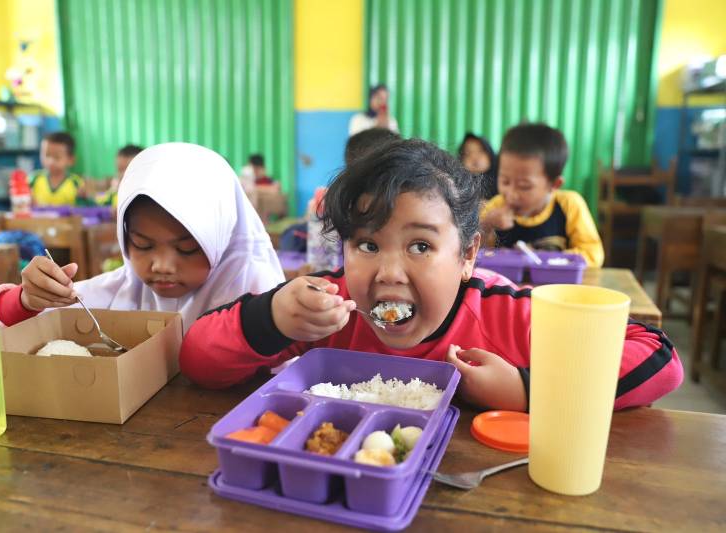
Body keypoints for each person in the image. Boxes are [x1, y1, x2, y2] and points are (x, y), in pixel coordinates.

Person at [178, 139, 682, 412]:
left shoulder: (502, 314)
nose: (389, 272)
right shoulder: (326, 307)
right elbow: (198, 359)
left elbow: (658, 357)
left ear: (467, 255)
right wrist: (272, 318)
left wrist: (528, 390)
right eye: (367, 244)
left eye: (420, 246)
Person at [0, 143, 285, 333]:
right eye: (142, 244)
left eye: (186, 248)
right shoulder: (122, 291)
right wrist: (27, 299)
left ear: (221, 239)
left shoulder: (256, 295)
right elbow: (3, 320)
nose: (161, 265)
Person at [480, 124, 604, 267]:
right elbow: (472, 254)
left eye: (524, 186)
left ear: (554, 184)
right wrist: (486, 225)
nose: (511, 194)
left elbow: (592, 255)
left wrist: (544, 259)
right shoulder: (496, 206)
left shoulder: (569, 204)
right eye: (505, 181)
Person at [29, 132, 86, 206]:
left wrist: (83, 198)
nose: (50, 161)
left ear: (71, 160)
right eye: (47, 155)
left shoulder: (76, 183)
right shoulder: (33, 179)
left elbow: (82, 207)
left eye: (57, 157)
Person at [457, 133, 497, 200]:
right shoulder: (458, 187)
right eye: (468, 153)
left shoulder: (502, 182)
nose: (474, 157)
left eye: (480, 151)